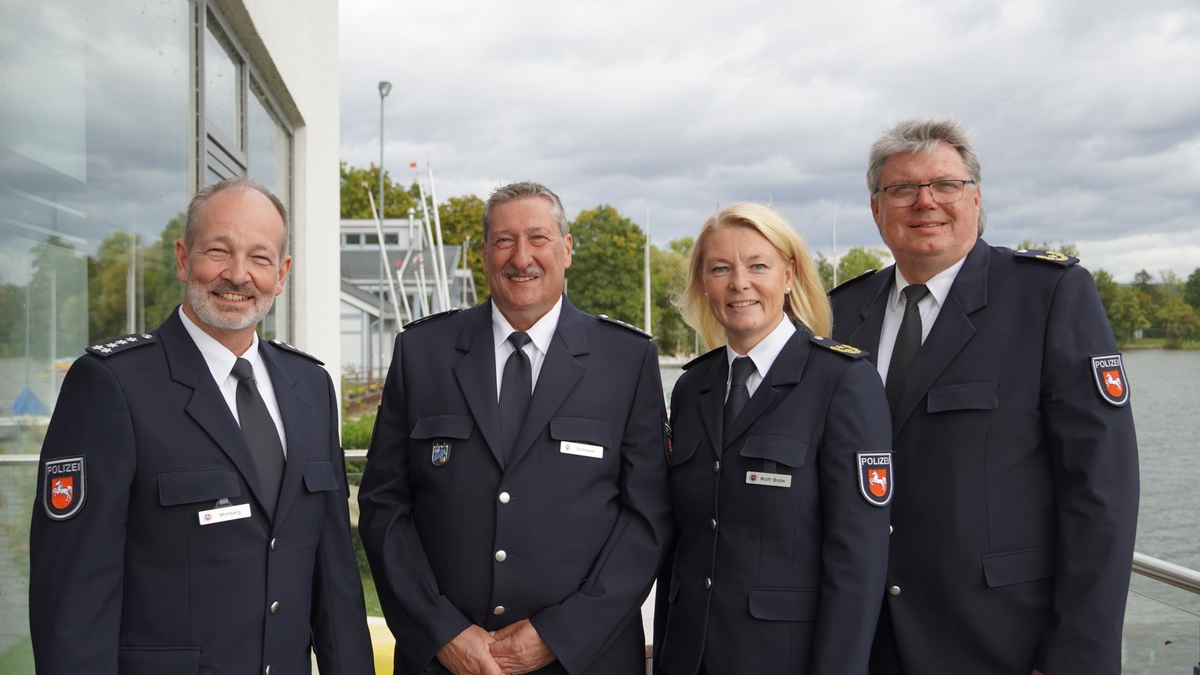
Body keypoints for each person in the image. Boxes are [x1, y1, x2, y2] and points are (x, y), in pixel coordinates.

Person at [829, 117, 1139, 675]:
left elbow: (1102, 492)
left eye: (945, 185)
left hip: (1004, 641)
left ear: (975, 199)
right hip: (864, 640)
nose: (926, 202)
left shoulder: (1048, 297)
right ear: (877, 209)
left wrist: (1078, 656)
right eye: (902, 189)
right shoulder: (840, 313)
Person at [29, 177, 375, 675]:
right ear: (182, 258)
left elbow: (335, 577)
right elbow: (73, 598)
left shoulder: (310, 387)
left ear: (281, 274)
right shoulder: (113, 386)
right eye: (218, 250)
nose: (238, 275)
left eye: (259, 258)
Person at [358, 180, 672, 675]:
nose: (520, 257)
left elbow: (647, 521)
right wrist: (443, 631)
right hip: (447, 660)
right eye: (504, 240)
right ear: (484, 254)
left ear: (566, 249)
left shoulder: (626, 360)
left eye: (538, 239)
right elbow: (383, 507)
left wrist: (559, 635)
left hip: (583, 660)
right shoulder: (423, 354)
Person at [652, 203, 892, 675]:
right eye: (720, 268)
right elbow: (681, 547)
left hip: (785, 658)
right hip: (688, 656)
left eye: (757, 265)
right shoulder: (690, 389)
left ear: (789, 274)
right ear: (705, 283)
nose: (739, 283)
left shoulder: (842, 381)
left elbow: (858, 560)